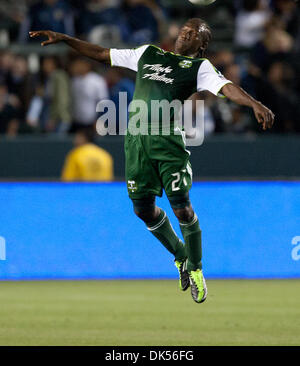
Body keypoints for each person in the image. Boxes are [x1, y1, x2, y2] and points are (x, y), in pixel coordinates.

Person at [29, 19, 275, 304]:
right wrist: (65, 38)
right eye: (184, 29)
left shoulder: (200, 68)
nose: (185, 33)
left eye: (194, 33)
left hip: (168, 142)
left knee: (182, 209)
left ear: (202, 45)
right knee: (142, 209)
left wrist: (254, 103)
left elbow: (228, 88)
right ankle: (182, 255)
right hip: (136, 142)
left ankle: (195, 269)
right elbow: (101, 53)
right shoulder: (148, 54)